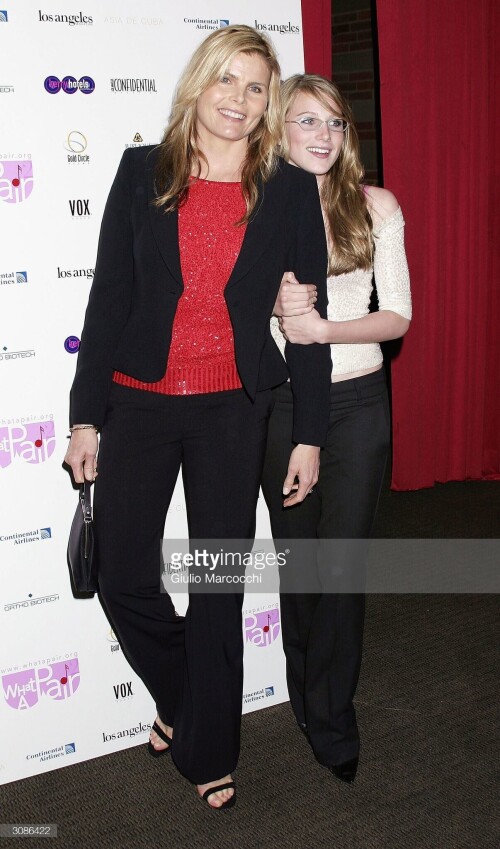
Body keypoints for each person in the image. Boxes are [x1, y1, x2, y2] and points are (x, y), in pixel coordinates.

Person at [64, 29, 331, 809]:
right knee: (122, 575)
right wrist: (86, 418)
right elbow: (108, 297)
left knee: (216, 587)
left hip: (231, 410)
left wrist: (308, 431)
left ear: (267, 102)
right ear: (200, 83)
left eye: (256, 88)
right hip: (137, 401)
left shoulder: (286, 189)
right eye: (228, 80)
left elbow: (304, 324)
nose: (239, 100)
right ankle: (188, 699)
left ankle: (209, 746)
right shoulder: (142, 170)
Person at [261, 74, 411, 783]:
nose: (323, 136)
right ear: (280, 131)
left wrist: (322, 327)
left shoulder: (374, 206)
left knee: (343, 567)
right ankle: (304, 691)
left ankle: (333, 714)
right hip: (284, 410)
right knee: (301, 567)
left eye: (335, 123)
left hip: (359, 407)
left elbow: (399, 317)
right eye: (306, 122)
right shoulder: (254, 210)